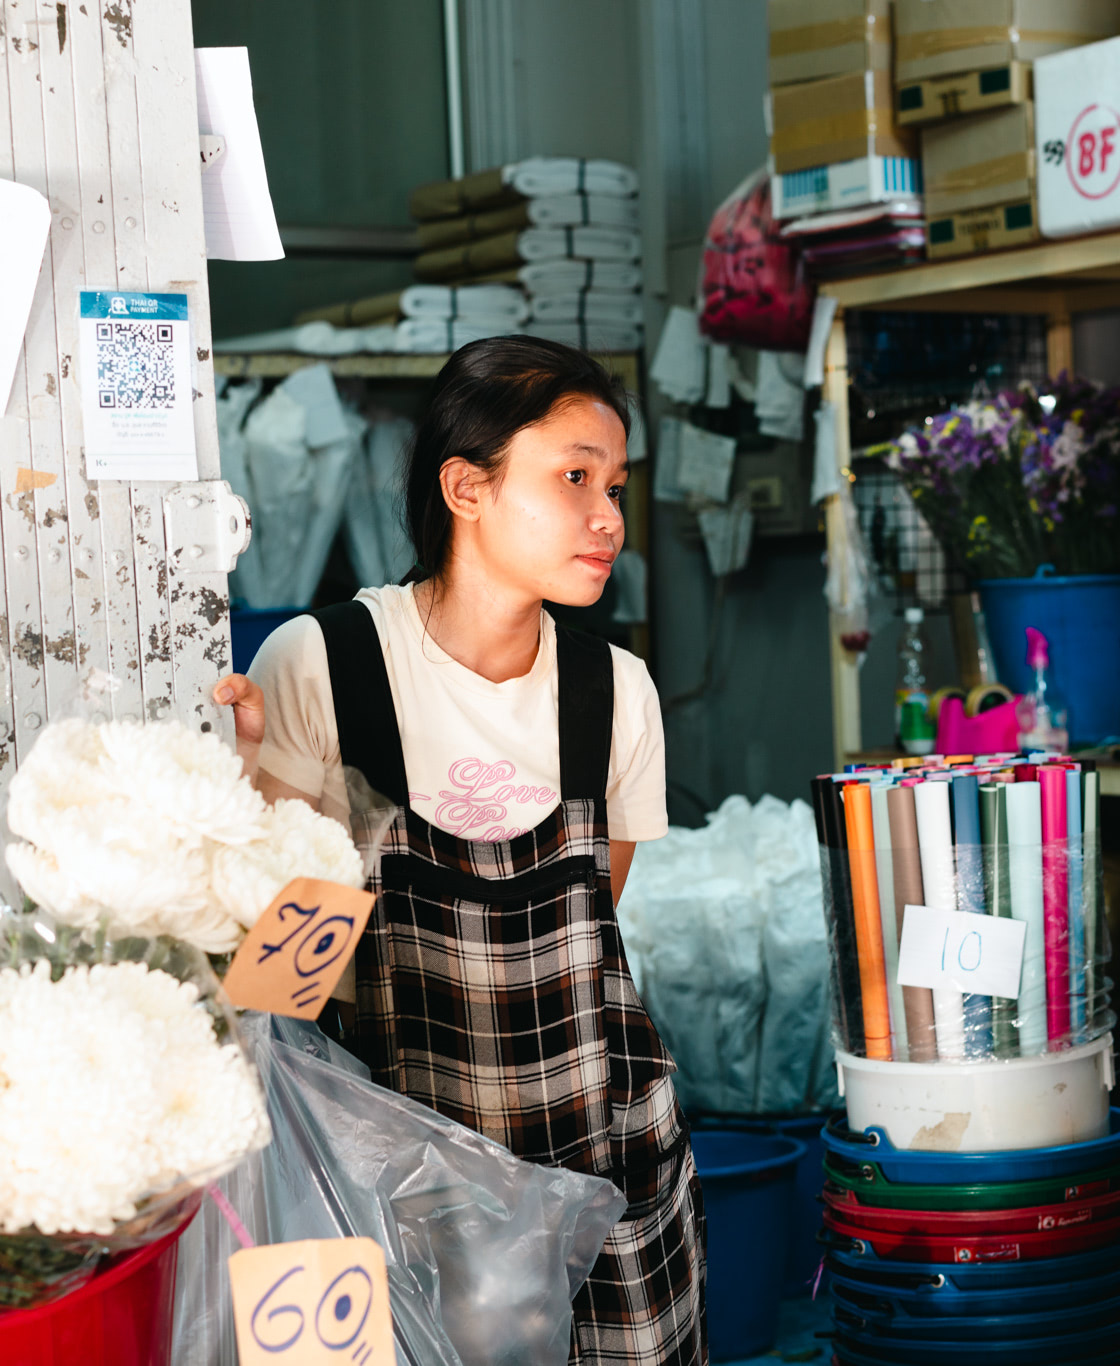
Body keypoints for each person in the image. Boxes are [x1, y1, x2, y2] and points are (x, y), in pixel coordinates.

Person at [214, 337, 704, 1366]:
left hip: (594, 1171)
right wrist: (252, 808)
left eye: (612, 485)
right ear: (464, 486)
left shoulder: (614, 692)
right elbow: (281, 976)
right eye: (573, 476)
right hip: (391, 1180)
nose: (607, 517)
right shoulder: (324, 665)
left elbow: (592, 929)